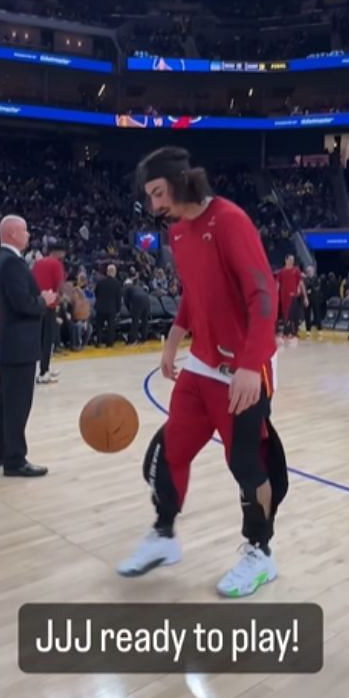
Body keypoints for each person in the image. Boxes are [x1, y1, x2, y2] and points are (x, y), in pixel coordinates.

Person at [118, 147, 289, 598]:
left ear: (181, 180)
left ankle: (260, 553)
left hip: (243, 369)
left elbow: (263, 296)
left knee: (246, 464)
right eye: (150, 197)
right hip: (201, 364)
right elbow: (195, 293)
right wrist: (174, 340)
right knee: (171, 449)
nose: (155, 205)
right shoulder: (178, 233)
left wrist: (252, 365)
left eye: (158, 192)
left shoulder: (230, 221)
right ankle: (164, 535)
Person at [0, 216, 51, 477]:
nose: (28, 234)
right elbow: (23, 304)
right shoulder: (12, 263)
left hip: (11, 343)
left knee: (4, 402)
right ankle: (14, 460)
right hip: (19, 344)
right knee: (17, 405)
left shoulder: (2, 260)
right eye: (24, 230)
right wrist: (43, 300)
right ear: (12, 233)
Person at [33, 241, 66, 384]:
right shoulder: (56, 264)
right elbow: (60, 285)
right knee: (47, 340)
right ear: (58, 252)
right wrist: (61, 300)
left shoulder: (38, 263)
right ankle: (43, 372)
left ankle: (44, 367)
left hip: (37, 303)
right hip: (50, 304)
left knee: (40, 339)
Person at [275, 255, 304, 345]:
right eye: (290, 260)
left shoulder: (296, 271)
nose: (292, 261)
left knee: (292, 314)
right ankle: (286, 332)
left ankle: (293, 332)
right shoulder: (281, 272)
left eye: (293, 260)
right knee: (285, 314)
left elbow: (300, 282)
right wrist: (275, 295)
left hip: (293, 296)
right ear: (286, 260)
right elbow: (277, 284)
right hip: (284, 297)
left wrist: (301, 291)